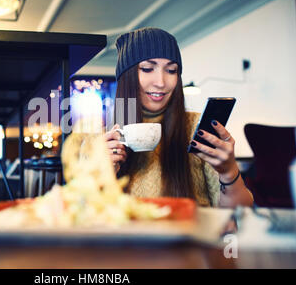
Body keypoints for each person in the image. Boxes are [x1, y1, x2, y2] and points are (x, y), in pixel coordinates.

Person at [105, 27, 253, 207]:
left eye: (171, 70)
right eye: (147, 68)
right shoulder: (100, 141)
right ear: (126, 77)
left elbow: (239, 214)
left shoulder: (196, 128)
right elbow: (86, 224)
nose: (160, 83)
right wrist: (103, 177)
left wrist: (229, 172)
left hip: (193, 234)